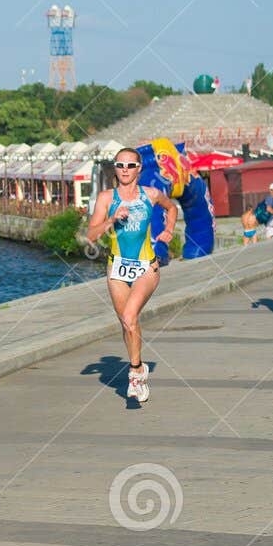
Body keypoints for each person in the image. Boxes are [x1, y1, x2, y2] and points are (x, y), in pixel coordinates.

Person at [85, 149, 176, 402]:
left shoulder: (151, 194)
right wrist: (111, 220)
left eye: (130, 164)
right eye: (120, 164)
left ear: (139, 169)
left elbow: (172, 208)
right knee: (128, 324)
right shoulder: (106, 198)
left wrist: (168, 229)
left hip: (146, 267)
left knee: (129, 315)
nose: (125, 169)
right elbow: (91, 236)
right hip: (117, 268)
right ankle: (138, 367)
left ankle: (136, 372)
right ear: (115, 168)